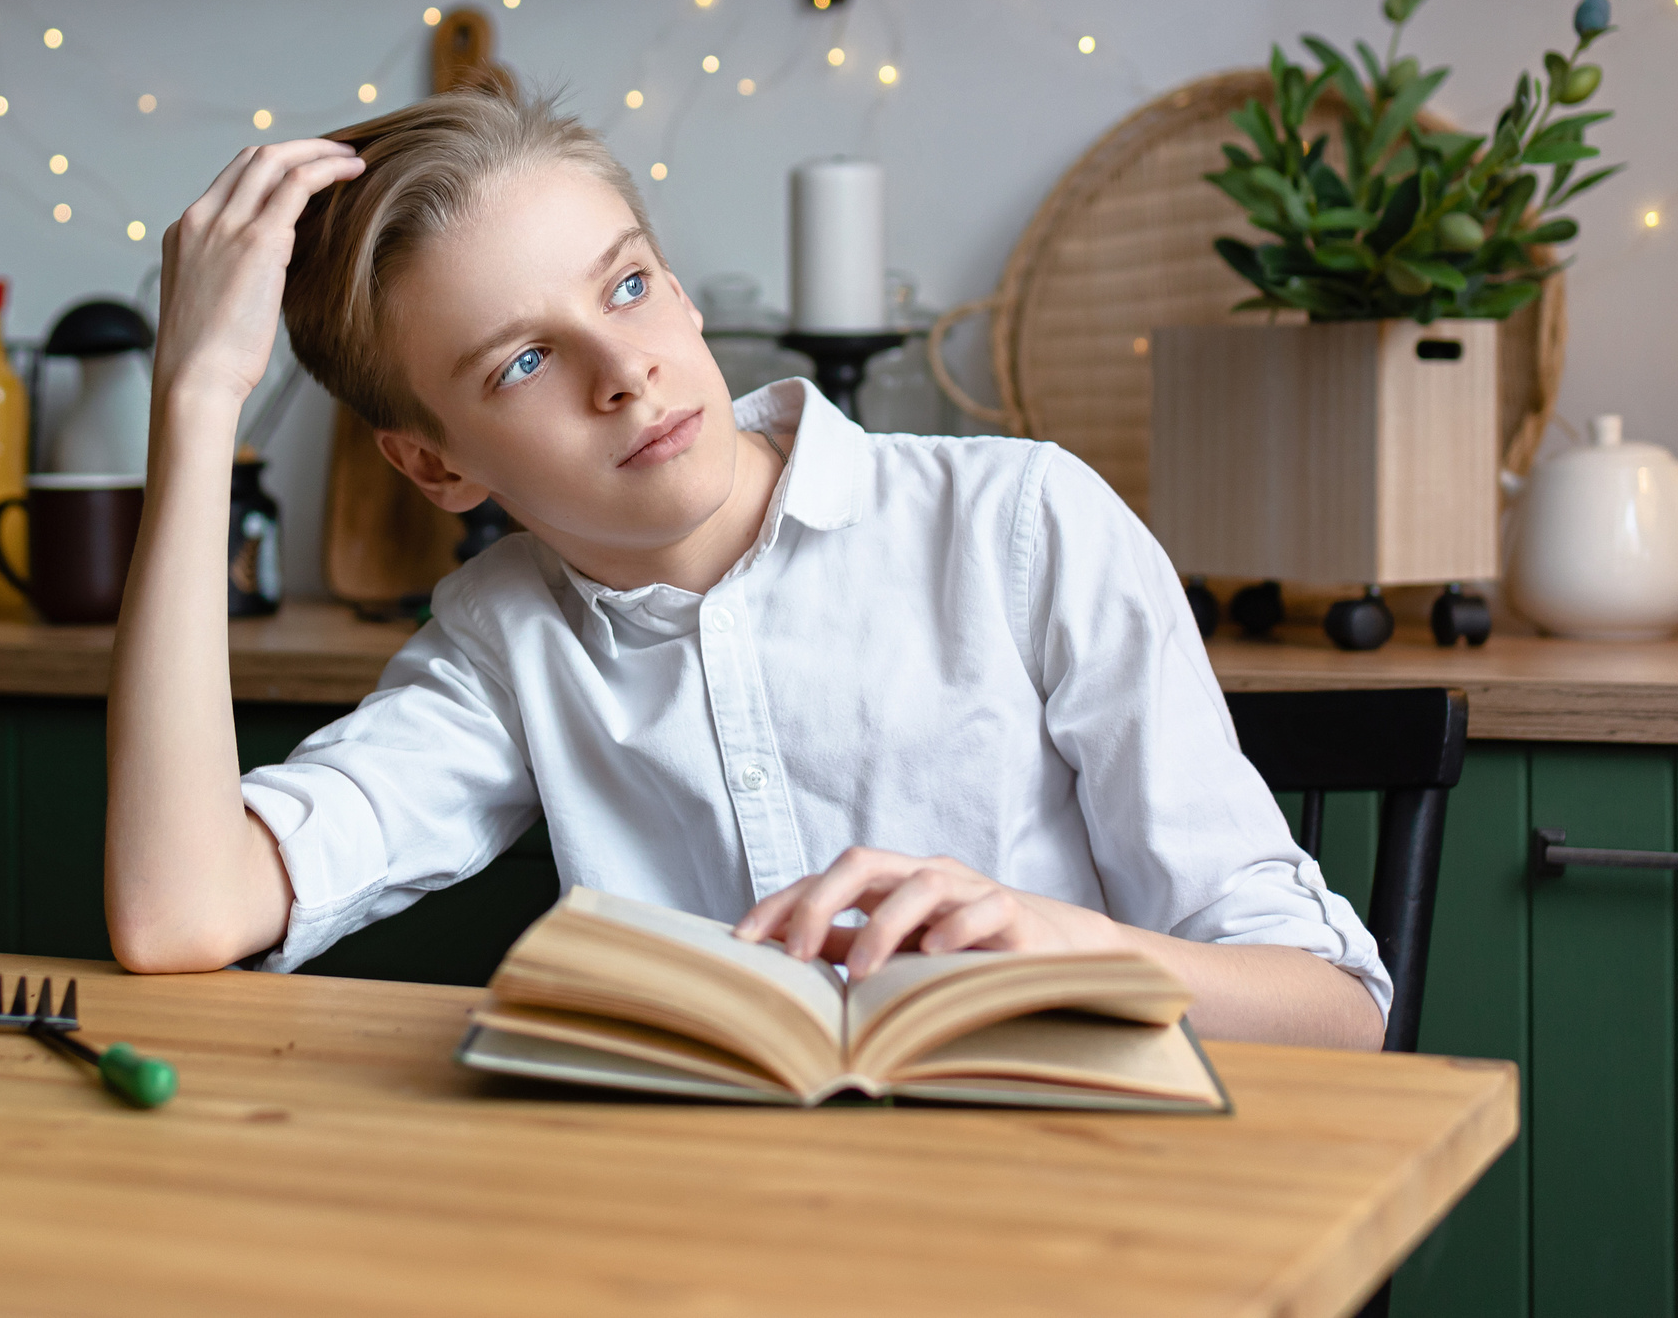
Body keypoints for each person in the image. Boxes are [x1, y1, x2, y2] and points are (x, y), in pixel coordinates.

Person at [106, 78, 1387, 1049]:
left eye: (625, 287)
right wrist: (199, 398)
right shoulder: (506, 643)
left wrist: (1072, 945)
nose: (625, 374)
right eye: (523, 363)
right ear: (437, 468)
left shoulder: (1020, 524)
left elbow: (1336, 1010)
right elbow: (180, 911)